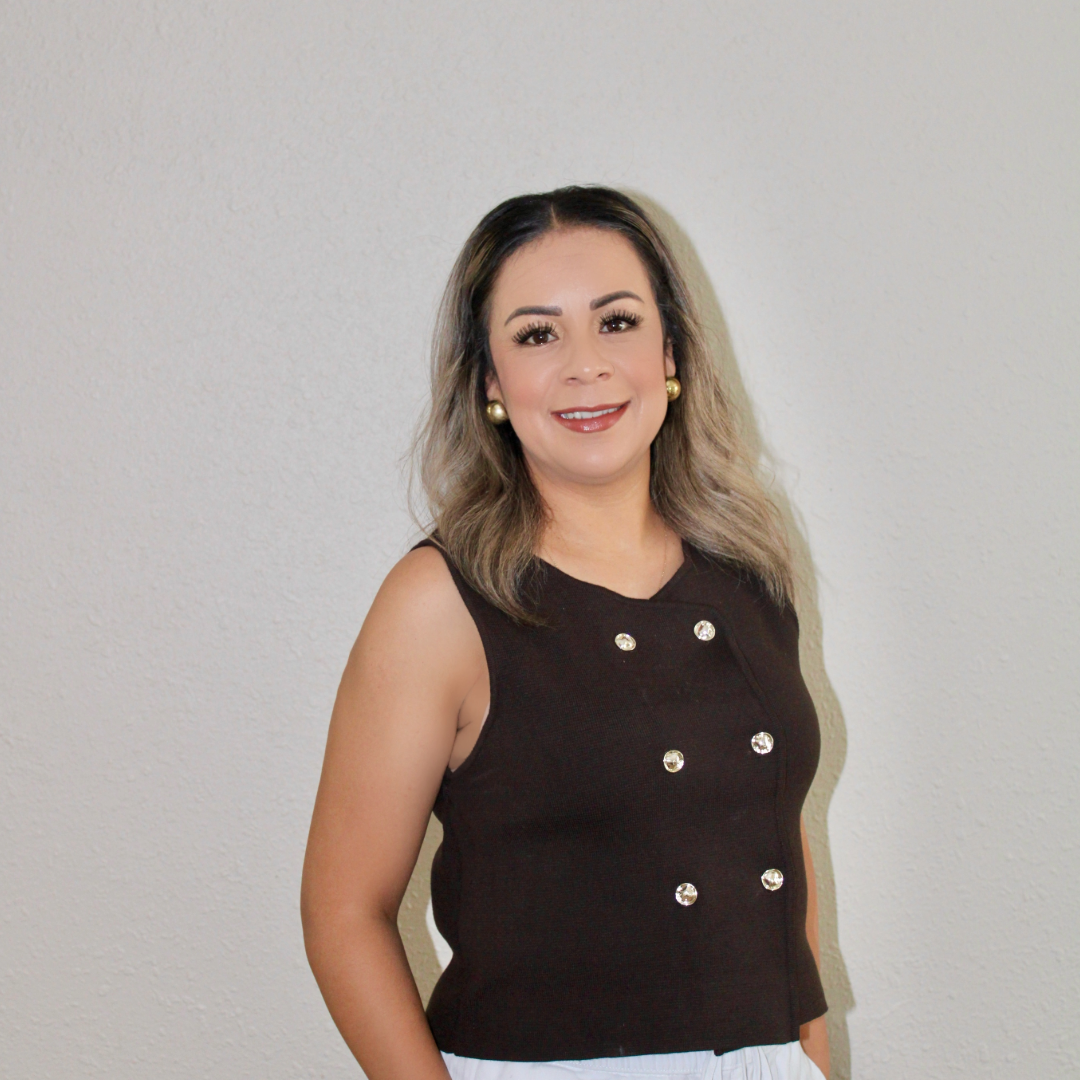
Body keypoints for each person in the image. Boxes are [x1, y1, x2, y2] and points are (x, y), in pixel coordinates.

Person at [301, 186, 830, 1080]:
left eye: (617, 322)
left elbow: (776, 851)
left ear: (671, 351)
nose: (587, 365)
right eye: (537, 335)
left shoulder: (749, 571)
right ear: (489, 382)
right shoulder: (439, 602)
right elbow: (342, 912)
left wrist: (809, 1060)